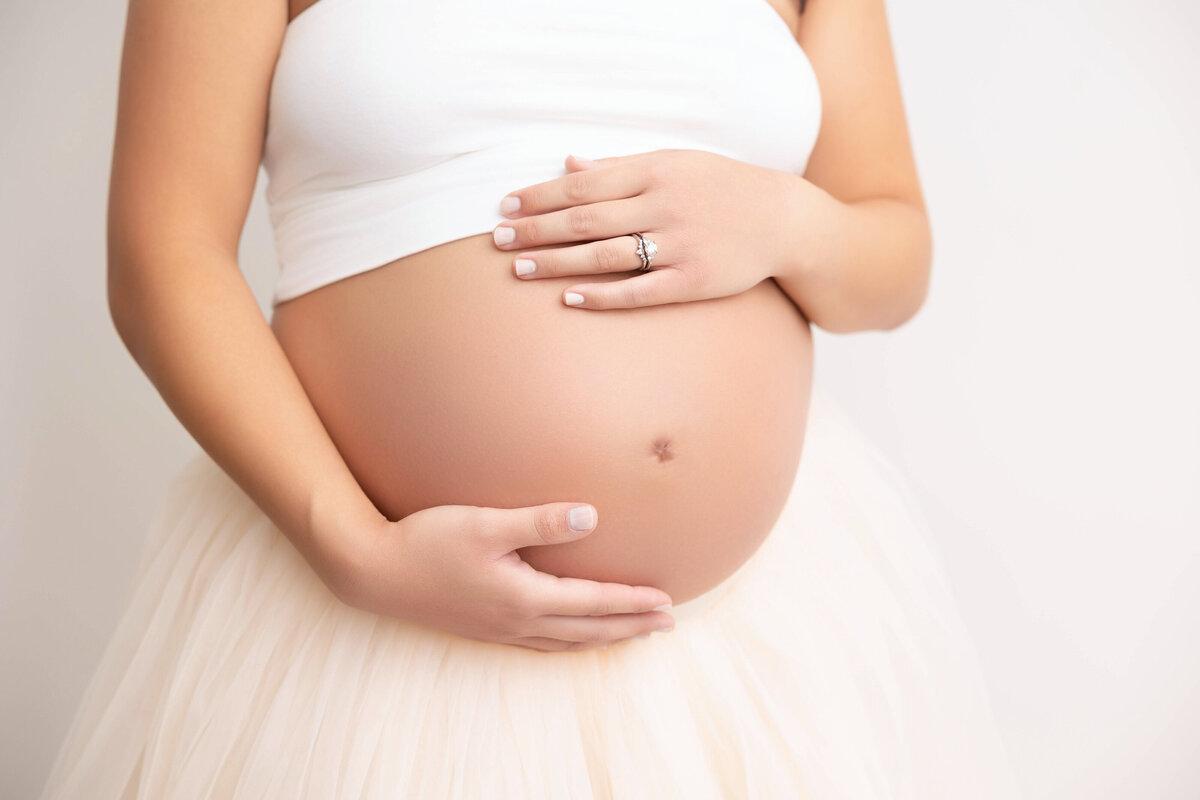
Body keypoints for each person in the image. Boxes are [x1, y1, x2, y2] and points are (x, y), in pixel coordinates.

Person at [41, 0, 1020, 796]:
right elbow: (164, 253)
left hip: (747, 632)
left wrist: (787, 222)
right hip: (371, 631)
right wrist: (355, 549)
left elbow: (895, 256)